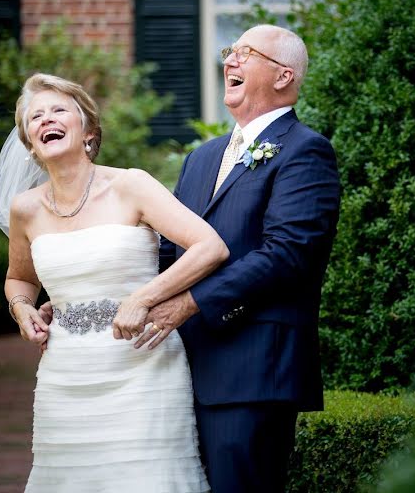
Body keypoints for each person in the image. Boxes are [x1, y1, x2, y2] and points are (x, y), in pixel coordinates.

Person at [0, 72, 228, 492]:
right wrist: (23, 308)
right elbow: (19, 278)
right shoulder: (25, 209)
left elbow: (209, 247)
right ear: (30, 142)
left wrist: (145, 296)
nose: (46, 119)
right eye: (35, 117)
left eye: (58, 110)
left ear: (87, 129)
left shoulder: (131, 185)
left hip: (143, 367)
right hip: (65, 376)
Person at [147, 24, 340, 492]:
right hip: (177, 372)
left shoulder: (305, 151)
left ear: (283, 77)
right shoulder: (200, 157)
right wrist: (92, 297)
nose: (229, 61)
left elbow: (287, 254)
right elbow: (170, 250)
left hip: (252, 369)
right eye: (230, 51)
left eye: (245, 54)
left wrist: (190, 302)